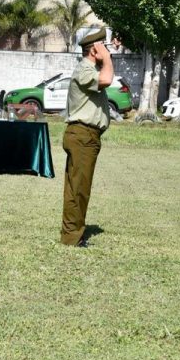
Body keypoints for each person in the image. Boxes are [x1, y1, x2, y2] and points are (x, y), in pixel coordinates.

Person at [60, 28, 114, 247]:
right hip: (82, 135)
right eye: (104, 47)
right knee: (78, 189)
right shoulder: (84, 69)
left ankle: (73, 232)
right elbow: (107, 79)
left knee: (80, 187)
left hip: (86, 136)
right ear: (94, 50)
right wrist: (108, 59)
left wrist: (107, 57)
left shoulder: (89, 68)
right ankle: (71, 237)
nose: (107, 51)